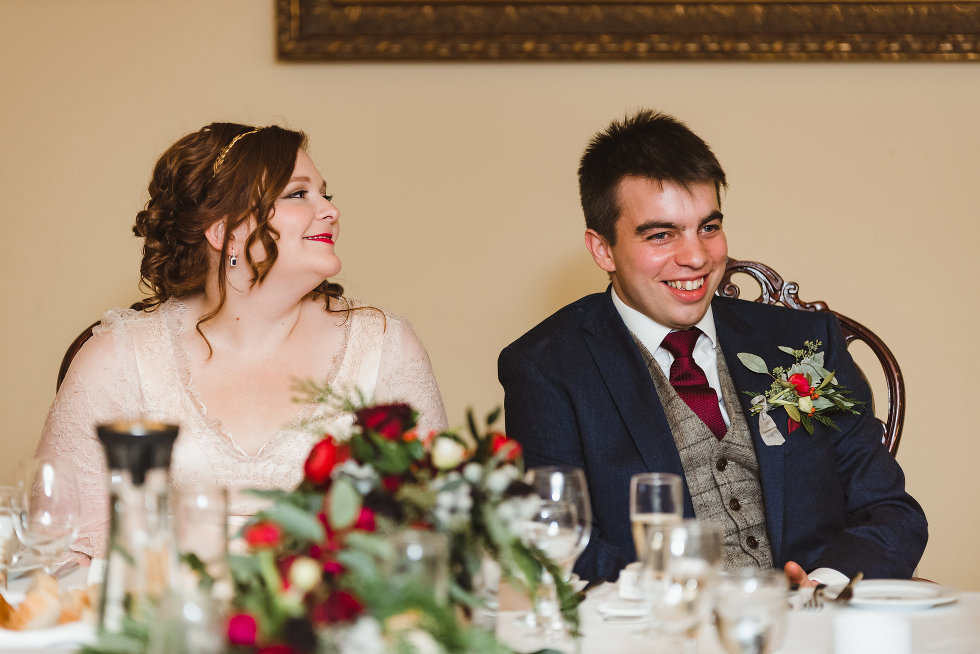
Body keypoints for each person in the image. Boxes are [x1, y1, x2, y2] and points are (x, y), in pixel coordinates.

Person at [498, 110, 927, 586]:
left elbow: (889, 512)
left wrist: (823, 588)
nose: (697, 257)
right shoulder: (545, 367)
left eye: (708, 227)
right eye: (661, 235)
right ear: (602, 249)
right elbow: (561, 545)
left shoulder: (806, 343)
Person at [37, 123, 448, 564]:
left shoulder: (385, 348)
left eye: (326, 194)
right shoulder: (118, 358)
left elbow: (440, 527)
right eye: (298, 194)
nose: (330, 210)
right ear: (224, 231)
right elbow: (61, 549)